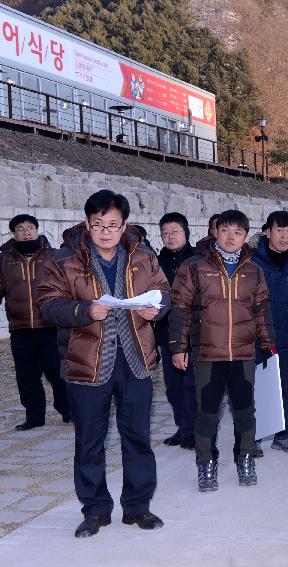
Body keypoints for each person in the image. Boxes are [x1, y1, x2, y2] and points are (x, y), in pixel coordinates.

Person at [37, 189, 171, 538]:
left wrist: (156, 309)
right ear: (87, 223)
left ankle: (138, 507)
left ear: (124, 225)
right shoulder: (64, 259)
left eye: (113, 224)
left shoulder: (143, 256)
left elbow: (164, 292)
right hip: (87, 364)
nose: (106, 231)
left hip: (136, 361)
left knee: (137, 437)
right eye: (98, 224)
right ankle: (95, 510)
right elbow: (48, 305)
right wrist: (85, 311)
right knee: (89, 442)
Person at [170, 210, 276, 493]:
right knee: (206, 414)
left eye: (238, 233)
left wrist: (268, 345)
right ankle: (206, 463)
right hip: (207, 355)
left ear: (245, 237)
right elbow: (180, 309)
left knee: (245, 412)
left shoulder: (254, 271)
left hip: (243, 355)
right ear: (215, 232)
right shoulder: (194, 267)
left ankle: (245, 458)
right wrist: (178, 348)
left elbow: (262, 311)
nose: (231, 237)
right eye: (226, 230)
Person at [0, 214, 70, 430]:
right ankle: (34, 416)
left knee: (57, 372)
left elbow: (67, 287)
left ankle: (68, 411)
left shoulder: (54, 256)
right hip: (20, 328)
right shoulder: (3, 259)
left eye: (30, 227)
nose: (26, 231)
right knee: (26, 375)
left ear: (37, 230)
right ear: (14, 233)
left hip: (50, 326)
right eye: (20, 228)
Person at [252, 210, 288, 453]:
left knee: (284, 386)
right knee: (255, 387)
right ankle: (253, 437)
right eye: (280, 230)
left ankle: (284, 434)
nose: (285, 237)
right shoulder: (252, 261)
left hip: (285, 334)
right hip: (255, 336)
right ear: (267, 231)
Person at [155, 212, 197, 450]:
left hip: (193, 333)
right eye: (165, 233)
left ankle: (191, 430)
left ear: (186, 233)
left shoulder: (198, 260)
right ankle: (182, 427)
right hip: (166, 332)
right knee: (173, 387)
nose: (170, 237)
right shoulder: (154, 263)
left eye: (175, 232)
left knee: (192, 384)